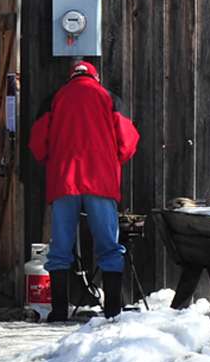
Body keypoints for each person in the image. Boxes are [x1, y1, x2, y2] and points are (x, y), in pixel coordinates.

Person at [28, 58, 140, 320]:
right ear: (95, 77)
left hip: (64, 181)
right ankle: (113, 310)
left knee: (60, 249)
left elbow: (37, 144)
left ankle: (58, 311)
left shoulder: (54, 99)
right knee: (109, 246)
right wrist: (110, 160)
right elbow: (128, 142)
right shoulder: (109, 98)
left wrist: (54, 159)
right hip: (101, 181)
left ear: (71, 76)